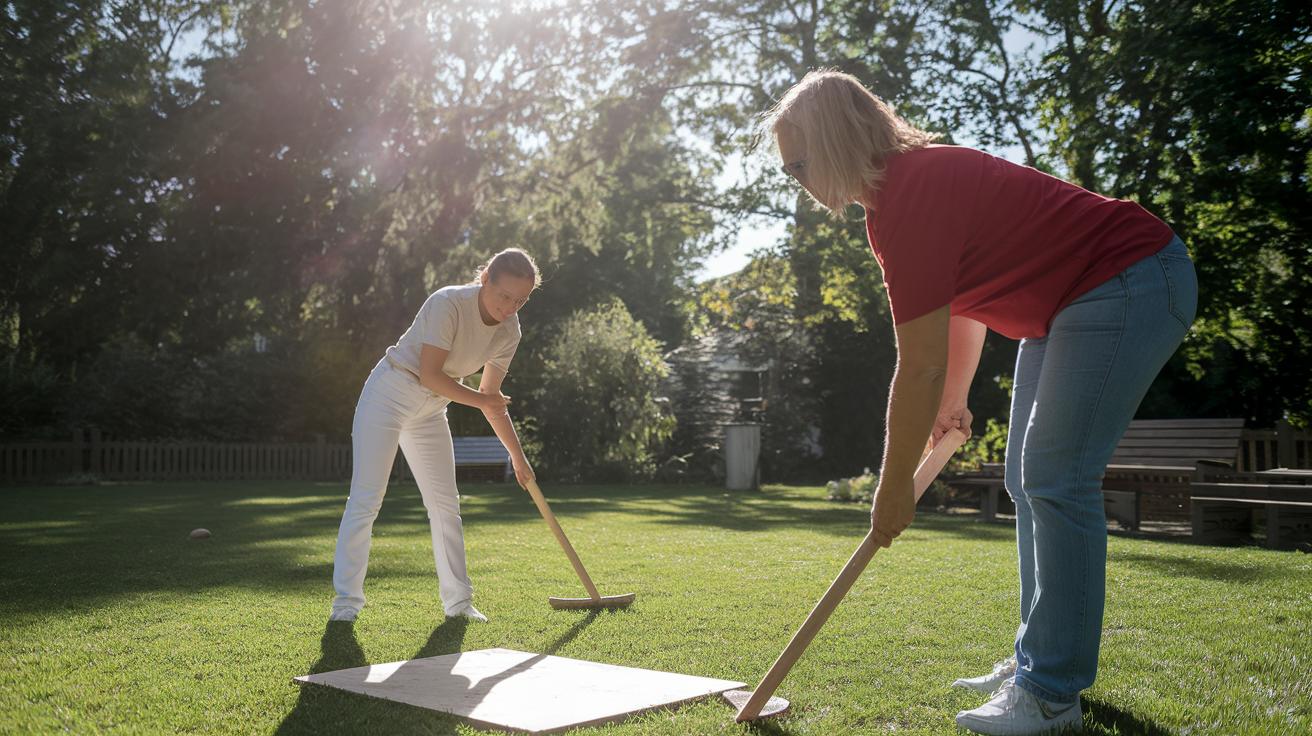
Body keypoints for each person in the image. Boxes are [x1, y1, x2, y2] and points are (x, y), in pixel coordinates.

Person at [763, 70, 1196, 735]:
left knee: (1055, 479)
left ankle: (1051, 692)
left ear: (833, 141)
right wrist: (956, 400)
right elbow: (959, 310)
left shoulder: (912, 193)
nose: (795, 179)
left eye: (797, 163)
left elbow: (919, 365)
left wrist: (893, 487)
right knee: (1032, 483)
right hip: (1071, 303)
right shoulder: (902, 199)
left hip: (1127, 279)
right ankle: (1036, 661)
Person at [328, 248, 540, 624]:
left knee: (446, 504)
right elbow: (431, 374)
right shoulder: (448, 303)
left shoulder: (510, 330)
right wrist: (483, 400)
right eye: (504, 296)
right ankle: (346, 603)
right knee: (367, 498)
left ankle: (459, 603)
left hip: (431, 408)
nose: (510, 307)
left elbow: (492, 401)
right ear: (485, 278)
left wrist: (519, 460)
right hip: (390, 393)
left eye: (521, 300)